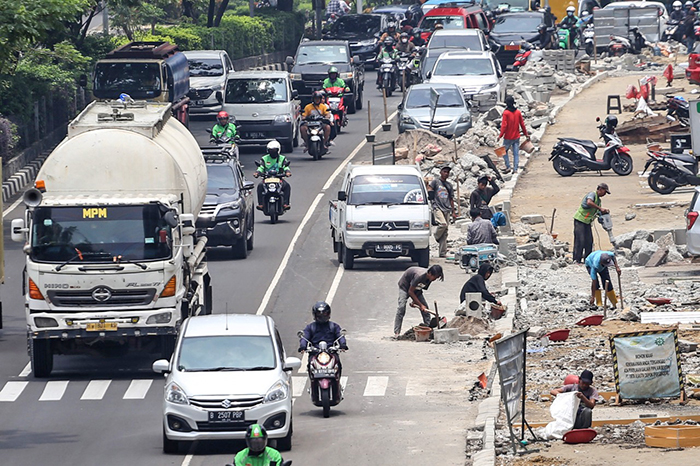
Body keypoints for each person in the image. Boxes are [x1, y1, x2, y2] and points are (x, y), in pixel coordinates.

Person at [394, 265, 444, 338]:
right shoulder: (419, 276)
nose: (435, 279)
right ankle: (397, 332)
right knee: (401, 308)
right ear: (429, 273)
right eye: (435, 277)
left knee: (425, 309)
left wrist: (415, 302)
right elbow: (410, 291)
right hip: (405, 286)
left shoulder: (429, 279)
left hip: (416, 288)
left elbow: (419, 288)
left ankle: (428, 329)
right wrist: (420, 305)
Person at [299, 301, 348, 375]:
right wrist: (303, 346)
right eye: (319, 314)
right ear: (315, 315)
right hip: (315, 353)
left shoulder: (334, 326)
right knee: (310, 364)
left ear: (328, 314)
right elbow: (305, 337)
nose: (322, 317)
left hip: (331, 352)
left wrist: (343, 344)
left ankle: (337, 382)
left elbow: (340, 335)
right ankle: (313, 381)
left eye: (324, 314)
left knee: (337, 364)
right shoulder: (310, 327)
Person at [572, 183, 609, 263]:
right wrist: (600, 208)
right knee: (580, 240)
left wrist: (603, 212)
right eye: (604, 192)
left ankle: (587, 260)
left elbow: (597, 211)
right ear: (600, 189)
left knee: (589, 241)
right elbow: (589, 202)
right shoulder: (592, 195)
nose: (604, 194)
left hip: (587, 222)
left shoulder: (598, 201)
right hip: (580, 220)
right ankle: (576, 260)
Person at [254, 140, 291, 210]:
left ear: (278, 150)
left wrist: (287, 172)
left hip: (279, 178)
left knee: (287, 186)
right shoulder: (264, 158)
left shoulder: (282, 158)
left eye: (274, 150)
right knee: (260, 186)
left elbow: (285, 166)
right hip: (267, 178)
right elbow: (261, 167)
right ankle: (261, 204)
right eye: (270, 150)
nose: (272, 152)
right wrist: (257, 173)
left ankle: (286, 203)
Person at [429, 165, 455, 258]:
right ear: (440, 172)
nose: (446, 173)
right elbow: (430, 189)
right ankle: (436, 236)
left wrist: (453, 211)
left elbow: (451, 198)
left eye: (447, 172)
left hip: (447, 208)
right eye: (444, 171)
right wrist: (432, 201)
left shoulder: (449, 185)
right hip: (438, 207)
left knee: (445, 232)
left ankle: (442, 253)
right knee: (443, 224)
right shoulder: (436, 182)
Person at [498, 96, 529, 174]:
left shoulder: (506, 113)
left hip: (508, 137)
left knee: (503, 151)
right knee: (516, 153)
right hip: (516, 137)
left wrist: (500, 136)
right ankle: (515, 169)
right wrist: (526, 134)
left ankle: (508, 166)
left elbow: (504, 126)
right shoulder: (518, 112)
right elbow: (522, 124)